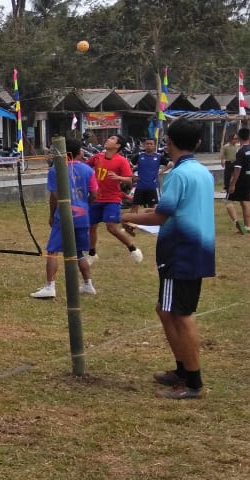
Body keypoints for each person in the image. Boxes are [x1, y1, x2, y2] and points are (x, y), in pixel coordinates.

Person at [122, 118, 215, 399]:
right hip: (195, 250)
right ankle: (182, 369)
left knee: (180, 315)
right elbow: (175, 212)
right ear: (198, 143)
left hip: (181, 253)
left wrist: (122, 217)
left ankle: (193, 383)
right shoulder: (203, 172)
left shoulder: (178, 174)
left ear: (168, 142)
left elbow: (161, 215)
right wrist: (136, 220)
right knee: (166, 310)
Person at [30, 139, 98, 299]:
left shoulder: (56, 170)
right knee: (78, 251)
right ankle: (88, 284)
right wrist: (84, 205)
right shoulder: (88, 170)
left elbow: (55, 196)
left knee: (52, 251)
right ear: (79, 152)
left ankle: (50, 287)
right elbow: (94, 194)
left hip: (64, 216)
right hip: (82, 216)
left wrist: (52, 214)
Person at [85, 134, 143, 265]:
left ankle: (132, 248)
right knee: (90, 227)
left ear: (117, 145)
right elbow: (85, 167)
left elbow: (129, 180)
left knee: (111, 227)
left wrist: (119, 178)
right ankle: (92, 253)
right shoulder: (97, 157)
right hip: (96, 198)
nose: (107, 140)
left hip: (112, 199)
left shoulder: (121, 161)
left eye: (112, 139)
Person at [126, 137, 169, 228]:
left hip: (152, 186)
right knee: (135, 206)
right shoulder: (139, 156)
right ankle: (131, 223)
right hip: (140, 185)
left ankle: (151, 225)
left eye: (151, 144)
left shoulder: (158, 156)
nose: (149, 145)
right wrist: (132, 175)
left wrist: (160, 172)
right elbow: (128, 165)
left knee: (152, 207)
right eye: (147, 144)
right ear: (144, 145)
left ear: (154, 145)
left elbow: (170, 164)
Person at [225, 126, 250, 234]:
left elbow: (237, 169)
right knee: (245, 202)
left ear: (239, 137)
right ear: (249, 136)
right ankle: (247, 227)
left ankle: (239, 225)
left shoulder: (241, 151)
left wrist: (233, 184)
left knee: (228, 202)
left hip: (241, 179)